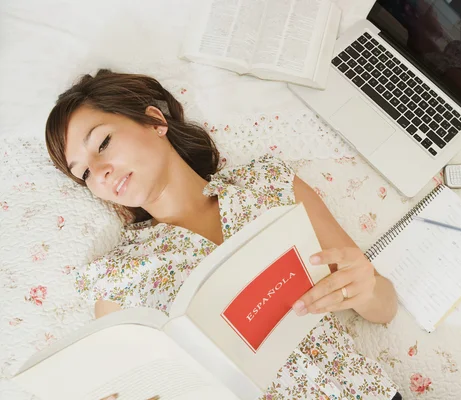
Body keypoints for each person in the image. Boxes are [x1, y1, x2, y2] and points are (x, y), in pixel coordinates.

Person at [45, 69, 402, 400]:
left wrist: (365, 285)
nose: (101, 173)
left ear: (154, 121)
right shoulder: (116, 279)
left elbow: (383, 308)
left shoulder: (268, 185)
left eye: (103, 143)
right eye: (85, 174)